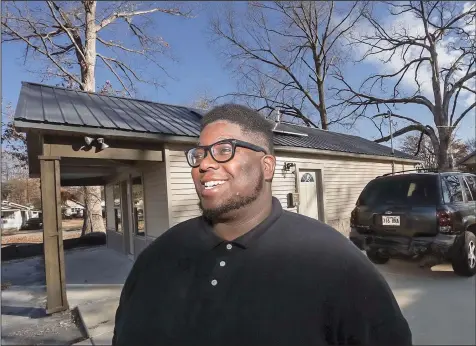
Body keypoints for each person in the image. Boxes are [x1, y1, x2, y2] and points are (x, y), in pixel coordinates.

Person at [112, 104, 412, 346]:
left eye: (224, 150)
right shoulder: (158, 256)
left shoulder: (335, 261)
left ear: (266, 166)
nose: (203, 164)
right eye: (199, 154)